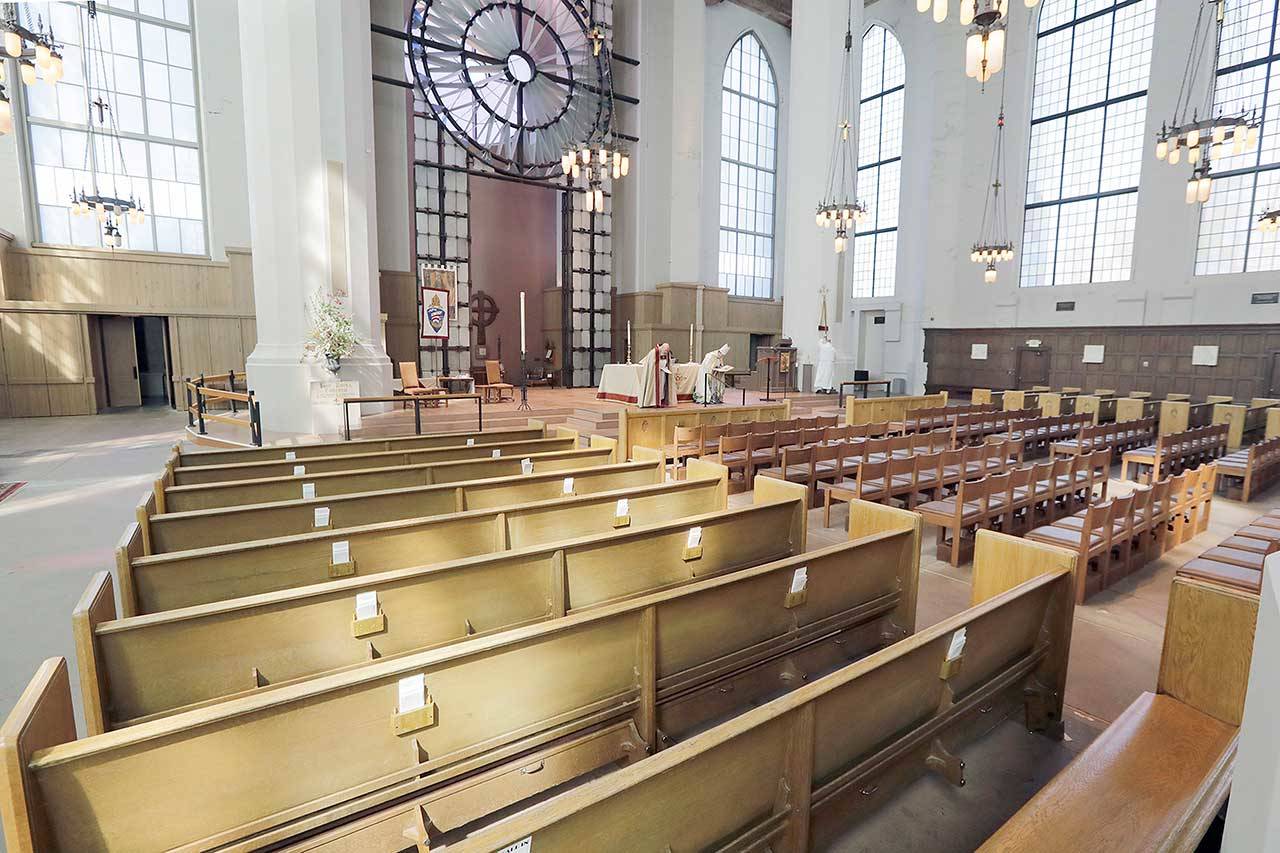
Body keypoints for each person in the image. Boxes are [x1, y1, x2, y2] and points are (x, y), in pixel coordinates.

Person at [638, 342, 676, 407]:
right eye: (665, 351)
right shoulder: (653, 353)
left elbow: (668, 361)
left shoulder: (667, 353)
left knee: (662, 388)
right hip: (654, 376)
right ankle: (652, 402)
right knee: (655, 388)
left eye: (667, 351)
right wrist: (658, 367)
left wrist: (666, 366)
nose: (666, 352)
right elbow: (651, 364)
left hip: (663, 374)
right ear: (662, 347)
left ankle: (661, 400)